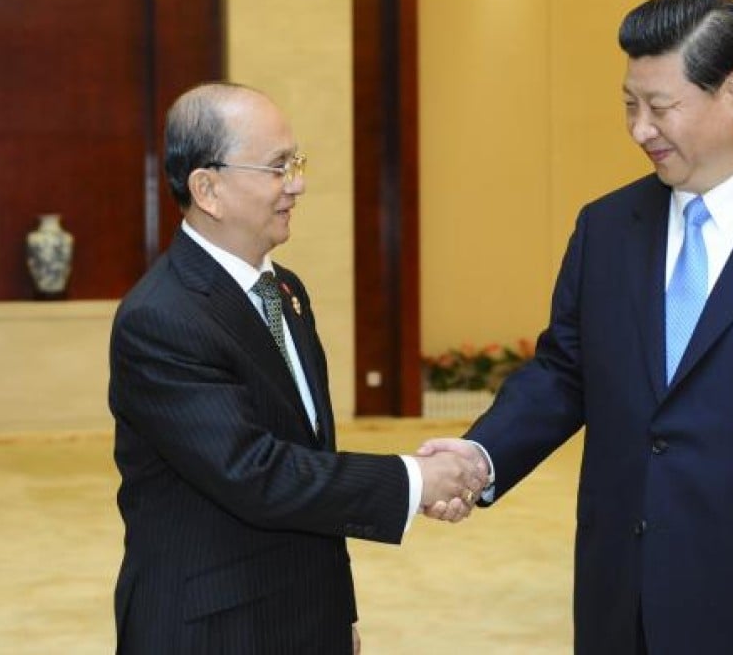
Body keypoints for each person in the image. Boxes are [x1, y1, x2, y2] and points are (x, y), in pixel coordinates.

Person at [420, 0, 733, 654]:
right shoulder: (607, 227)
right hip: (621, 598)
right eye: (630, 104)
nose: (640, 129)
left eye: (660, 107)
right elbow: (566, 371)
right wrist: (483, 456)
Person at [109, 82, 486, 654]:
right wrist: (414, 480)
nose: (298, 183)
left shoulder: (284, 291)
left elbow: (312, 459)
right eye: (278, 167)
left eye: (297, 162)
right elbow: (254, 473)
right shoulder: (162, 317)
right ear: (208, 188)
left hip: (300, 615)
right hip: (212, 630)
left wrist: (337, 615)